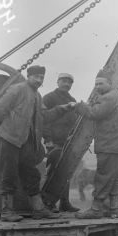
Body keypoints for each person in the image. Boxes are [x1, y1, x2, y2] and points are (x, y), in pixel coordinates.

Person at [0, 65, 74, 221]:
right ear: (29, 76)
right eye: (36, 77)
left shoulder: (37, 95)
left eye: (41, 78)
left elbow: (44, 116)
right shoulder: (17, 90)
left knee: (31, 174)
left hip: (26, 141)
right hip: (10, 140)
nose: (39, 80)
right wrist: (0, 132)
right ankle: (7, 212)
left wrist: (63, 108)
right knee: (9, 174)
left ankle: (38, 210)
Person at [73, 69, 118, 219]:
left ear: (110, 84)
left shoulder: (108, 97)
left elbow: (94, 114)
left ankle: (96, 209)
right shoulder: (115, 96)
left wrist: (80, 106)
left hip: (109, 144)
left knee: (103, 176)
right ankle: (114, 210)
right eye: (96, 84)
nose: (97, 87)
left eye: (100, 83)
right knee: (116, 178)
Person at [42, 72, 79, 212]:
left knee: (66, 173)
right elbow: (44, 120)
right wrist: (48, 140)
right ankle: (47, 203)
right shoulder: (49, 98)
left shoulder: (72, 99)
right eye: (63, 81)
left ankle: (64, 203)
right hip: (54, 143)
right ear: (57, 82)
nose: (66, 84)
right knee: (53, 172)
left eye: (69, 82)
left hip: (67, 143)